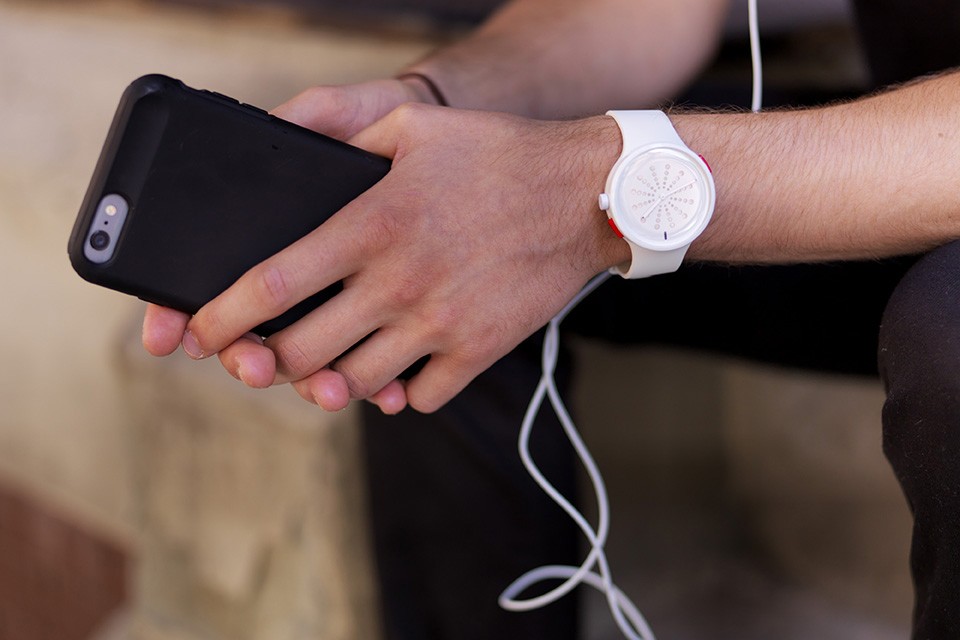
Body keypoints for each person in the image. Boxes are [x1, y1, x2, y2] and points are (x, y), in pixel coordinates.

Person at [141, 0, 960, 637]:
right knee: (425, 227)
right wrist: (434, 99)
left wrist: (585, 185)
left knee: (946, 334)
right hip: (889, 152)